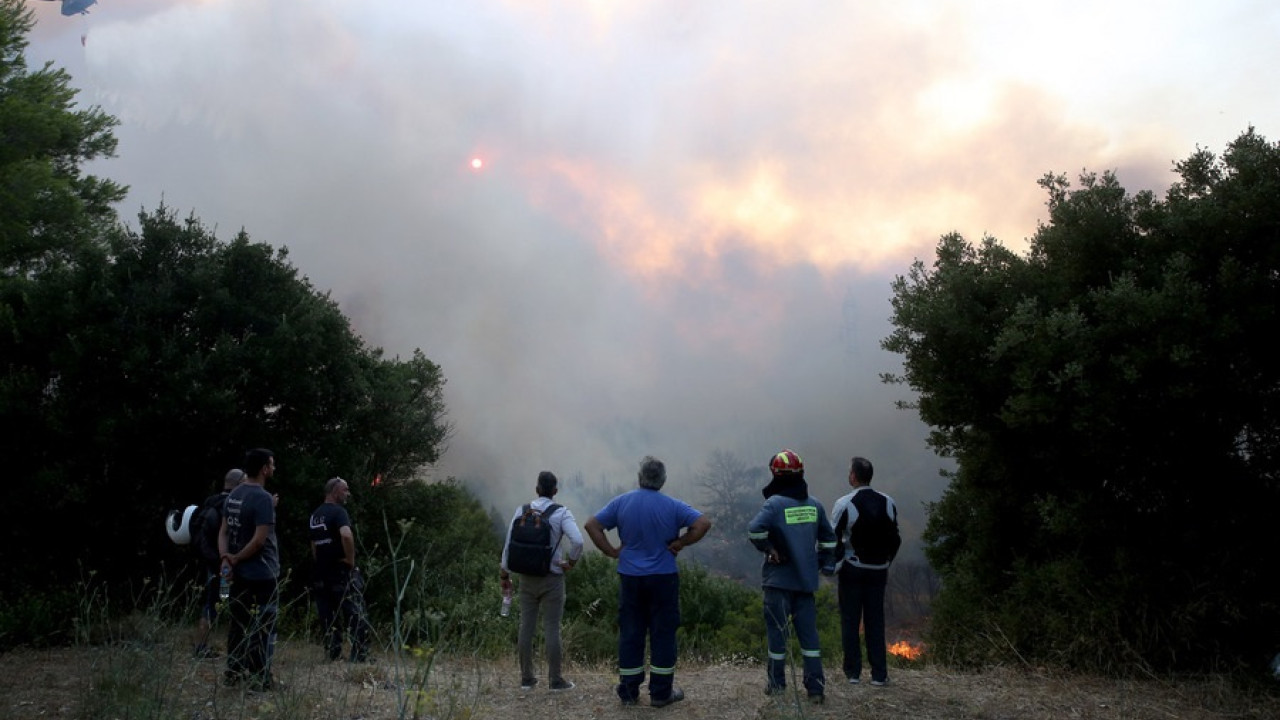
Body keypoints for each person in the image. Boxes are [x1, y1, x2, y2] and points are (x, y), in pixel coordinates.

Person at [584, 455, 712, 708]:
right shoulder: (673, 505)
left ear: (640, 478)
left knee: (631, 632)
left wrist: (611, 551)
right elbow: (702, 523)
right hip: (663, 577)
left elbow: (591, 525)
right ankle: (661, 693)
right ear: (662, 481)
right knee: (663, 634)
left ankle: (629, 693)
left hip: (631, 577)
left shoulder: (622, 502)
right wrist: (681, 542)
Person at [748, 449, 837, 704]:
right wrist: (821, 564)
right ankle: (816, 689)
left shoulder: (774, 504)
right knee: (810, 638)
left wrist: (769, 549)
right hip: (805, 583)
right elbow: (829, 541)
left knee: (778, 636)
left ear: (776, 474)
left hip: (778, 583)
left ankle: (777, 686)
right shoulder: (815, 505)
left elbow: (754, 531)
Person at [498, 471, 584, 692]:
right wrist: (571, 563)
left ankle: (527, 679)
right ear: (555, 491)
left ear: (537, 489)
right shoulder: (561, 513)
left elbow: (509, 544)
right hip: (552, 579)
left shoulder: (522, 510)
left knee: (525, 627)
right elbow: (577, 541)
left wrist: (504, 576)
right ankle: (555, 681)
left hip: (526, 578)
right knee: (552, 629)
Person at [829, 456, 901, 687]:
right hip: (879, 570)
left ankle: (853, 674)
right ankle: (879, 675)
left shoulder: (844, 503)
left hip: (853, 568)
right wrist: (887, 561)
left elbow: (833, 539)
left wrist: (835, 564)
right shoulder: (888, 502)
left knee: (850, 620)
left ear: (853, 476)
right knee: (875, 620)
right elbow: (895, 538)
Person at [219, 448, 281, 691]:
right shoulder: (263, 498)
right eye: (272, 464)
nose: (274, 468)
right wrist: (234, 558)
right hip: (262, 573)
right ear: (264, 468)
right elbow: (258, 541)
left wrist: (226, 557)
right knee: (264, 626)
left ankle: (233, 671)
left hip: (238, 574)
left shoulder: (233, 494)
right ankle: (260, 678)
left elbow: (223, 531)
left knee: (239, 623)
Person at [309, 477, 372, 663]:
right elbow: (346, 535)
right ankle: (360, 656)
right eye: (345, 490)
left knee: (328, 616)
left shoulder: (315, 514)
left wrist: (320, 561)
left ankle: (333, 654)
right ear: (335, 492)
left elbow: (313, 544)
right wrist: (350, 560)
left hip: (321, 573)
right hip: (341, 572)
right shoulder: (339, 512)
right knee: (356, 613)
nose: (348, 494)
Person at [192, 468, 244, 658]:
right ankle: (235, 649)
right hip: (226, 564)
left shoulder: (210, 501)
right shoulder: (231, 504)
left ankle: (201, 646)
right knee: (229, 602)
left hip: (212, 562)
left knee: (212, 602)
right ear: (238, 484)